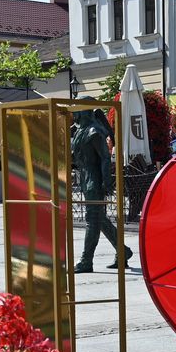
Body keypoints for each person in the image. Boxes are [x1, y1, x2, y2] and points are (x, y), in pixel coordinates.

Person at [71, 109, 131, 273]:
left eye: (76, 110)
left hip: (94, 178)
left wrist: (106, 181)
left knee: (93, 219)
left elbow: (105, 157)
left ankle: (86, 261)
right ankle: (123, 250)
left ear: (82, 113)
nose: (73, 114)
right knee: (99, 218)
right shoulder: (79, 131)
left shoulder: (93, 131)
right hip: (85, 177)